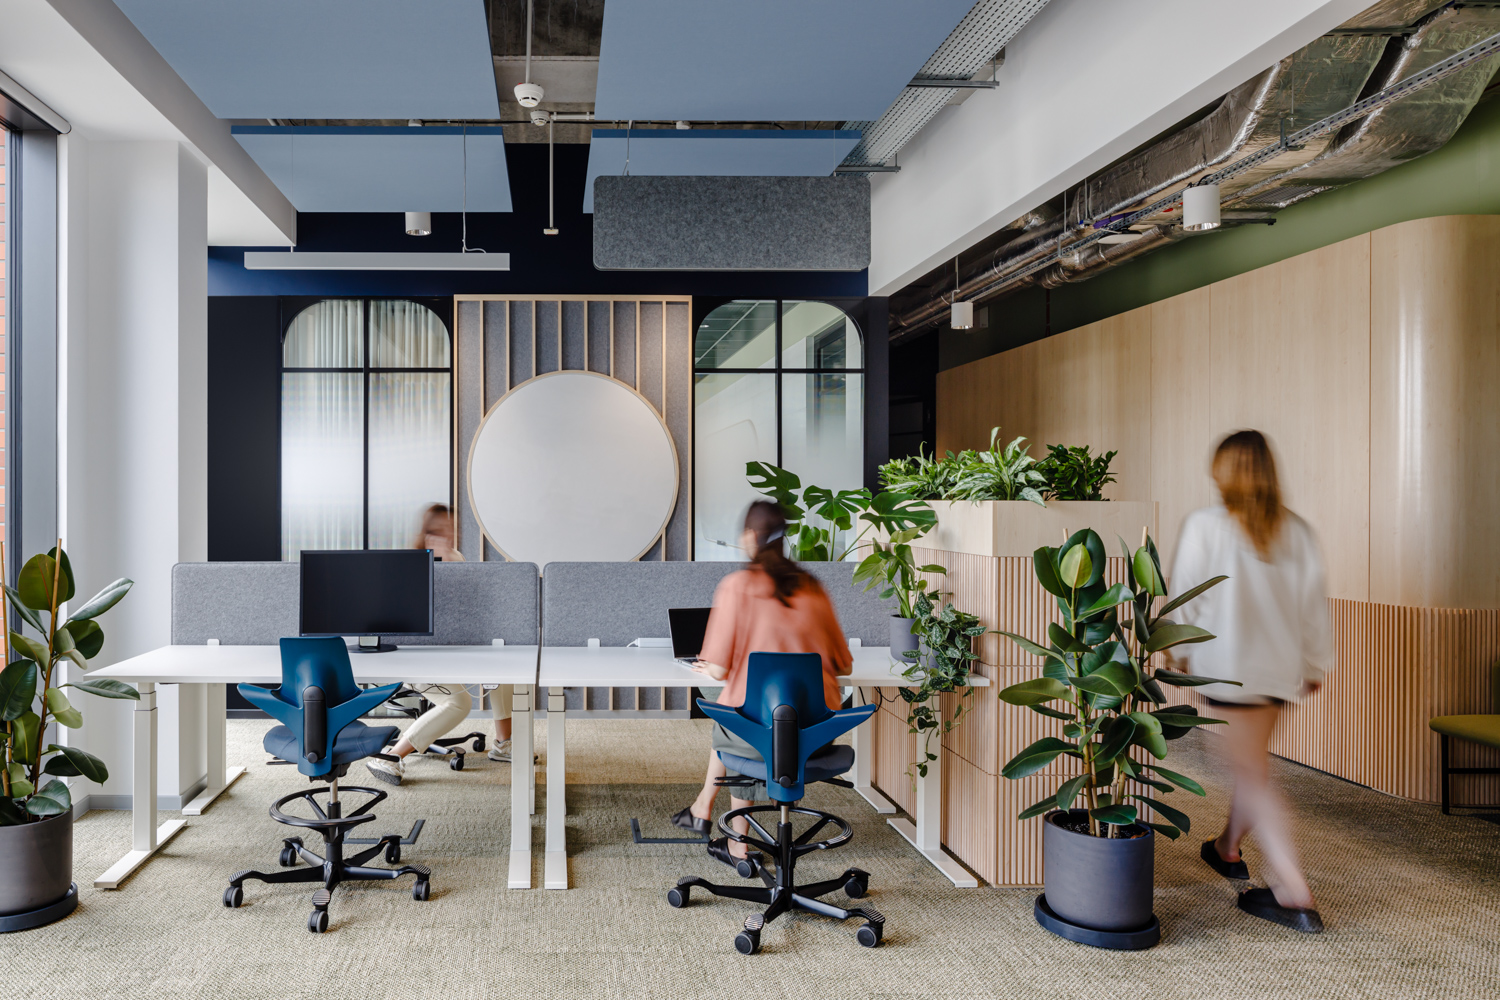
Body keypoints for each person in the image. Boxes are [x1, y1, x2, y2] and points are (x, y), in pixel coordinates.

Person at [1168, 430, 1331, 933]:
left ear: (1223, 472)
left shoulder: (1206, 525)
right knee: (1250, 764)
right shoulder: (1297, 531)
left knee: (1255, 775)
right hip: (1278, 671)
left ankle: (1292, 888)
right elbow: (1313, 608)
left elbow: (1186, 595)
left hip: (1228, 668)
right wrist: (1313, 666)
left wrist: (1176, 648)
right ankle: (1227, 848)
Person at [669, 500, 853, 868]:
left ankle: (731, 837)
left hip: (761, 731)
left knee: (736, 718)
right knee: (744, 719)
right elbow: (844, 664)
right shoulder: (813, 588)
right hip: (816, 733)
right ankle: (711, 819)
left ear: (751, 537)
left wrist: (712, 666)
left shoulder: (737, 586)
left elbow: (719, 670)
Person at [366, 504, 517, 787]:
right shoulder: (409, 565)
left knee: (502, 668)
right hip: (416, 656)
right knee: (459, 703)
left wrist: (449, 561)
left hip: (450, 652)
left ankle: (503, 744)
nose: (447, 534)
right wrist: (437, 565)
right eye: (440, 529)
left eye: (450, 528)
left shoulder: (455, 558)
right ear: (427, 532)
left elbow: (462, 612)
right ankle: (390, 756)